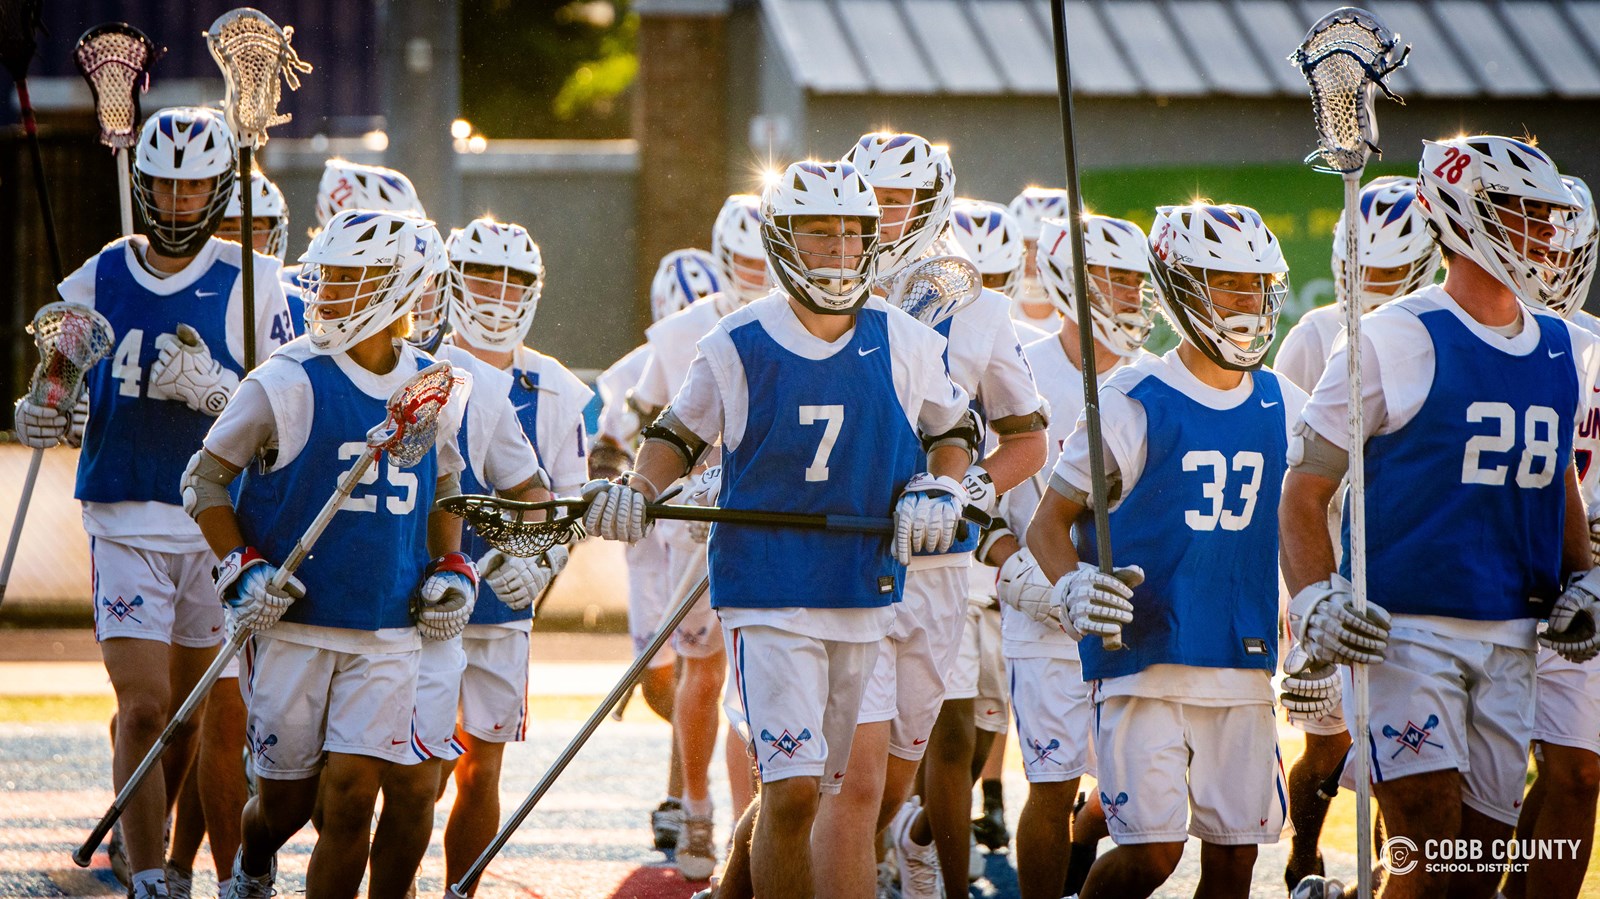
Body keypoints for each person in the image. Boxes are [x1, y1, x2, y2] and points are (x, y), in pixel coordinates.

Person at [586, 158, 979, 898]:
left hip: (864, 589)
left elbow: (956, 426)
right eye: (817, 235)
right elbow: (675, 434)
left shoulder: (903, 338)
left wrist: (940, 484)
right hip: (768, 591)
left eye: (849, 234)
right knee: (794, 790)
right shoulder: (737, 341)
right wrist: (639, 488)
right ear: (781, 241)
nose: (835, 251)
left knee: (848, 794)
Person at [1280, 136, 1599, 899]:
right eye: (1524, 213)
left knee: (1473, 871)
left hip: (1513, 628)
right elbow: (1305, 486)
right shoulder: (1392, 335)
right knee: (1426, 844)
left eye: (1547, 215)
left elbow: (1557, 485)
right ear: (1469, 215)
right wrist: (1315, 596)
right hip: (1406, 631)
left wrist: (1584, 577)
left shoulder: (1556, 344)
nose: (1544, 232)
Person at [11, 106, 292, 899]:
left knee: (195, 719)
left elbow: (290, 406)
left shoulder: (256, 282)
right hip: (125, 512)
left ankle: (203, 865)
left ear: (215, 188)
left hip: (217, 522)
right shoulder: (97, 275)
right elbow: (56, 379)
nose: (176, 202)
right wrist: (44, 406)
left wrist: (221, 395)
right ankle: (150, 882)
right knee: (143, 706)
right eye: (163, 187)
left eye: (193, 185)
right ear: (143, 185)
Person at [185, 209, 470, 899]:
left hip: (386, 628)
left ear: (398, 286)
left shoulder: (434, 385)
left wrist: (451, 566)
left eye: (350, 277)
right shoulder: (284, 378)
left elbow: (446, 489)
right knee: (285, 804)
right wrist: (239, 566)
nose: (329, 291)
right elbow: (204, 479)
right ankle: (254, 866)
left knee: (350, 797)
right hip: (292, 624)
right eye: (329, 275)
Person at [1029, 202, 1301, 899]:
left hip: (1241, 659)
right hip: (1143, 656)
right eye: (1228, 284)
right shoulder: (1131, 398)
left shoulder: (1281, 400)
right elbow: (1047, 525)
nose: (1247, 301)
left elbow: (1327, 503)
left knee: (1236, 859)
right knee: (1151, 855)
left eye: (1256, 285)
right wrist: (1070, 587)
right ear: (1182, 285)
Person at [826, 132, 1046, 899]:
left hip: (939, 564)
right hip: (837, 552)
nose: (886, 214)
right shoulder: (824, 288)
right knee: (826, 779)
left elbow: (1028, 437)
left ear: (934, 206)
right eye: (874, 196)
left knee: (889, 781)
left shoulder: (978, 307)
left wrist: (968, 489)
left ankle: (902, 842)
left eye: (901, 200)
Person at [1269, 175, 1440, 892]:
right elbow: (1294, 476)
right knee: (1330, 740)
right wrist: (1302, 600)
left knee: (1400, 756)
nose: (1370, 284)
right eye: (1359, 267)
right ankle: (1306, 850)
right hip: (1330, 558)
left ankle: (1387, 875)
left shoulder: (1436, 335)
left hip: (1411, 561)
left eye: (1389, 272)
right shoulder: (1313, 338)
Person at [985, 213, 1153, 899]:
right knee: (1050, 786)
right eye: (1107, 278)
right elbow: (971, 500)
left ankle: (1088, 839)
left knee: (1138, 799)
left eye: (1133, 280)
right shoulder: (1019, 367)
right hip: (1043, 617)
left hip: (1130, 611)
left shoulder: (1153, 380)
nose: (1123, 293)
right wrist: (1009, 563)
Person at [436, 215, 594, 887]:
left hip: (503, 604)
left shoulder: (558, 387)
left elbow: (572, 504)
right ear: (453, 281)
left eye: (513, 278)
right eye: (482, 275)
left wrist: (543, 559)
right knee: (417, 770)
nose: (498, 292)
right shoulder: (421, 365)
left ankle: (459, 889)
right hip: (420, 595)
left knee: (482, 765)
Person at [629, 197, 769, 880]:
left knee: (760, 674)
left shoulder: (799, 321)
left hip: (772, 523)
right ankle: (696, 803)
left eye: (763, 259)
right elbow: (648, 425)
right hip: (697, 525)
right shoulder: (684, 331)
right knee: (705, 669)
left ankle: (754, 826)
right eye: (743, 261)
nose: (755, 272)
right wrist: (654, 486)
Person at [591, 247, 726, 853]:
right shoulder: (636, 370)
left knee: (708, 670)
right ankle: (699, 771)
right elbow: (611, 444)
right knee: (660, 679)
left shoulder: (738, 343)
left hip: (716, 531)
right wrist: (612, 485)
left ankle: (685, 792)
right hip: (655, 538)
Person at [1500, 174, 1600, 899]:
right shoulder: (1466, 338)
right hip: (1484, 575)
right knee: (1469, 788)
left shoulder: (1595, 343)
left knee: (1579, 770)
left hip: (1580, 580)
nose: (1549, 257)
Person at [1009, 187, 1071, 332]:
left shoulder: (1090, 316)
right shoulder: (997, 308)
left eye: (1043, 246)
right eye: (1025, 244)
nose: (1032, 258)